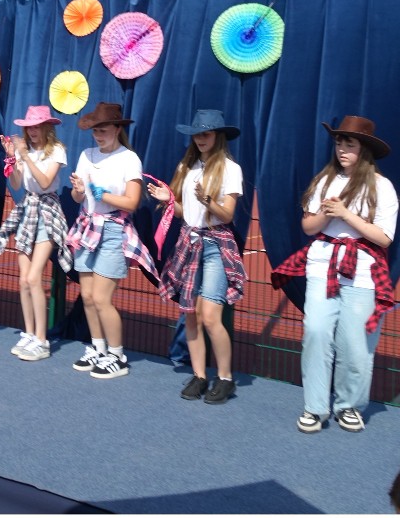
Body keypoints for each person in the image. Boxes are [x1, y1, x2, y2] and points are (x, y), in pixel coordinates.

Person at [271, 116, 396, 433]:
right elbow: (308, 226)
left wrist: (345, 214)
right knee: (315, 331)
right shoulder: (324, 181)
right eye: (339, 143)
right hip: (322, 267)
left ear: (364, 149)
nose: (342, 149)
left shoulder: (382, 187)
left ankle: (348, 405)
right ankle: (315, 407)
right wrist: (326, 216)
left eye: (349, 144)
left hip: (363, 274)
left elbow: (383, 238)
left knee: (356, 343)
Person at [147, 110, 247, 403]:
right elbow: (185, 213)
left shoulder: (230, 169)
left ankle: (225, 378)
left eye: (206, 133)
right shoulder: (187, 166)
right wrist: (169, 201)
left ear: (218, 136)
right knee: (190, 314)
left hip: (216, 244)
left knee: (211, 316)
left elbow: (227, 215)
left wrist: (208, 201)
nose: (200, 139)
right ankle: (200, 375)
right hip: (188, 243)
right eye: (197, 134)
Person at [67, 101, 158, 378]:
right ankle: (98, 349)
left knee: (101, 298)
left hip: (113, 230)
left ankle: (117, 356)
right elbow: (77, 197)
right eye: (95, 130)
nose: (98, 134)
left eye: (103, 129)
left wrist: (100, 194)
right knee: (87, 296)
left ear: (118, 129)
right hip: (87, 227)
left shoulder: (129, 159)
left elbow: (131, 202)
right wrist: (79, 190)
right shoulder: (86, 155)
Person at [0, 105, 72, 361]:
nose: (32, 131)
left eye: (37, 127)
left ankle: (42, 341)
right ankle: (30, 333)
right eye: (29, 127)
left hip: (47, 211)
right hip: (27, 208)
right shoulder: (24, 152)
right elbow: (15, 184)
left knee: (34, 277)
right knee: (23, 279)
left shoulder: (56, 150)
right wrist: (13, 160)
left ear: (47, 128)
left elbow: (45, 182)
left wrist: (25, 155)